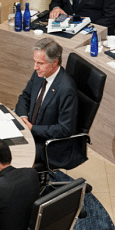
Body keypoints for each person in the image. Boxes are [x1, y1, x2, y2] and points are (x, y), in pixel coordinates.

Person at [14, 38, 82, 169]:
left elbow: (65, 129)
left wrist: (32, 129)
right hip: (32, 131)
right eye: (35, 62)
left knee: (15, 154)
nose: (35, 67)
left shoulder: (66, 88)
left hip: (51, 145)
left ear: (55, 62)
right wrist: (22, 117)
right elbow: (25, 97)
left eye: (40, 63)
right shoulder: (40, 73)